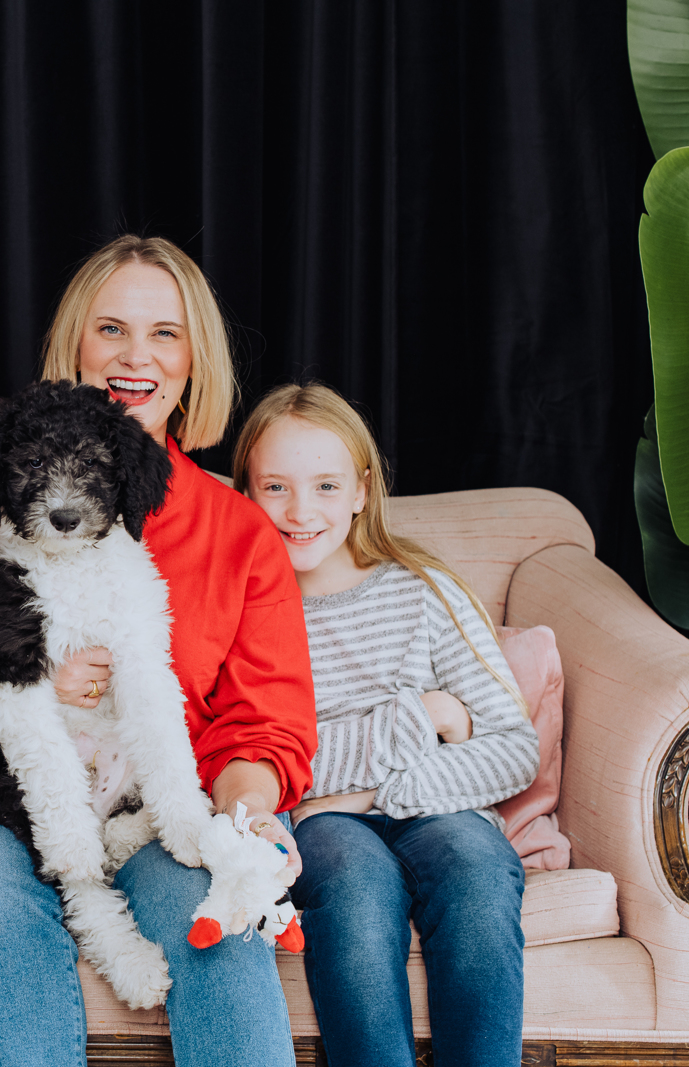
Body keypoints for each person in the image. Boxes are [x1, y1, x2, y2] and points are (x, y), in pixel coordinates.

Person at [0, 234, 318, 1067]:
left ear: (196, 361)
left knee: (206, 902)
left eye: (165, 333)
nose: (135, 356)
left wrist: (247, 810)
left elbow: (266, 722)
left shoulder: (238, 534)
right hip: (1, 805)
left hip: (153, 811)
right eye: (111, 329)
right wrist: (29, 685)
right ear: (74, 342)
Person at [233, 382, 539, 1067]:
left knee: (477, 873)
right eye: (275, 486)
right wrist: (420, 717)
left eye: (325, 485)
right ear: (245, 494)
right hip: (323, 825)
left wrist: (366, 793)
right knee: (354, 890)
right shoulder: (245, 612)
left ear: (362, 491)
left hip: (439, 806)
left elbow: (514, 748)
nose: (300, 510)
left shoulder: (423, 588)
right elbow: (284, 762)